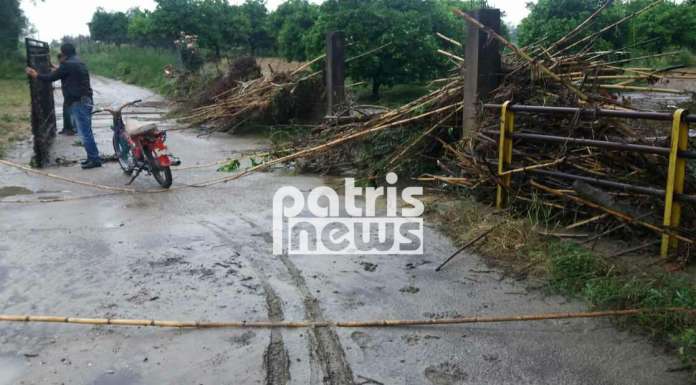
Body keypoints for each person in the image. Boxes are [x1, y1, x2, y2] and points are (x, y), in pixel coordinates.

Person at [26, 43, 101, 169]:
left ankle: (94, 159)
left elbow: (50, 78)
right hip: (87, 99)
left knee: (84, 133)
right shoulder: (78, 62)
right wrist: (56, 67)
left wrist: (35, 74)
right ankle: (92, 157)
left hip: (79, 102)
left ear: (64, 53)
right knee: (86, 131)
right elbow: (64, 72)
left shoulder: (67, 65)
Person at [55, 53, 76, 136]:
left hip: (70, 94)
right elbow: (58, 70)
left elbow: (56, 73)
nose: (59, 61)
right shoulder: (67, 65)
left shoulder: (67, 65)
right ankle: (66, 128)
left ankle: (70, 129)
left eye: (60, 59)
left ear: (63, 58)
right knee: (66, 111)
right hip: (68, 94)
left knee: (69, 112)